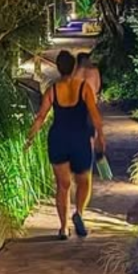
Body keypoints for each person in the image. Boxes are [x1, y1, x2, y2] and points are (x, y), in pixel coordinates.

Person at [25, 50, 106, 239]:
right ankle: (79, 213)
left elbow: (41, 117)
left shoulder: (52, 90)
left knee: (63, 185)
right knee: (84, 180)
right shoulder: (84, 88)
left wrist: (30, 137)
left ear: (59, 69)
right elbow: (95, 115)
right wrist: (100, 136)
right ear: (74, 67)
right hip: (79, 139)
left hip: (59, 139)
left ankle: (63, 228)